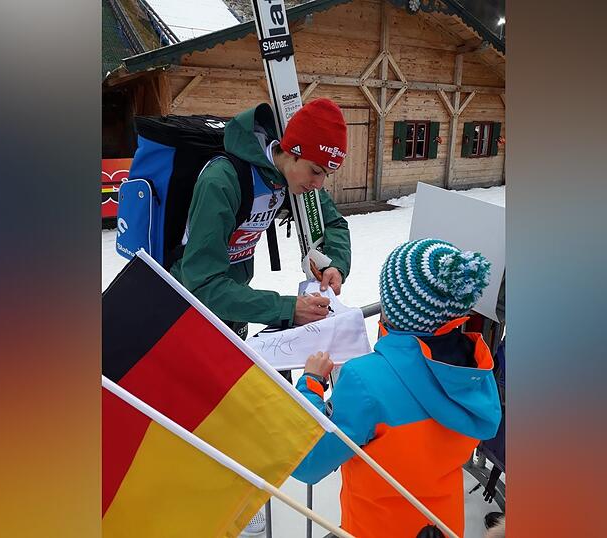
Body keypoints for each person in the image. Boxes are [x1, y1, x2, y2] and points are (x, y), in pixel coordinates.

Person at [291, 238, 502, 538]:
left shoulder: (364, 380)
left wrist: (311, 383)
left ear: (393, 308)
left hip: (375, 527)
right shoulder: (474, 368)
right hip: (442, 526)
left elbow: (307, 462)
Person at [170, 98, 352, 341]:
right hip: (188, 308)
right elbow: (203, 284)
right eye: (316, 171)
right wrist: (286, 309)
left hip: (236, 303)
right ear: (292, 152)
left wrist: (335, 265)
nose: (319, 184)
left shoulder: (286, 178)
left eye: (326, 175)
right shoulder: (222, 181)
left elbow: (333, 222)